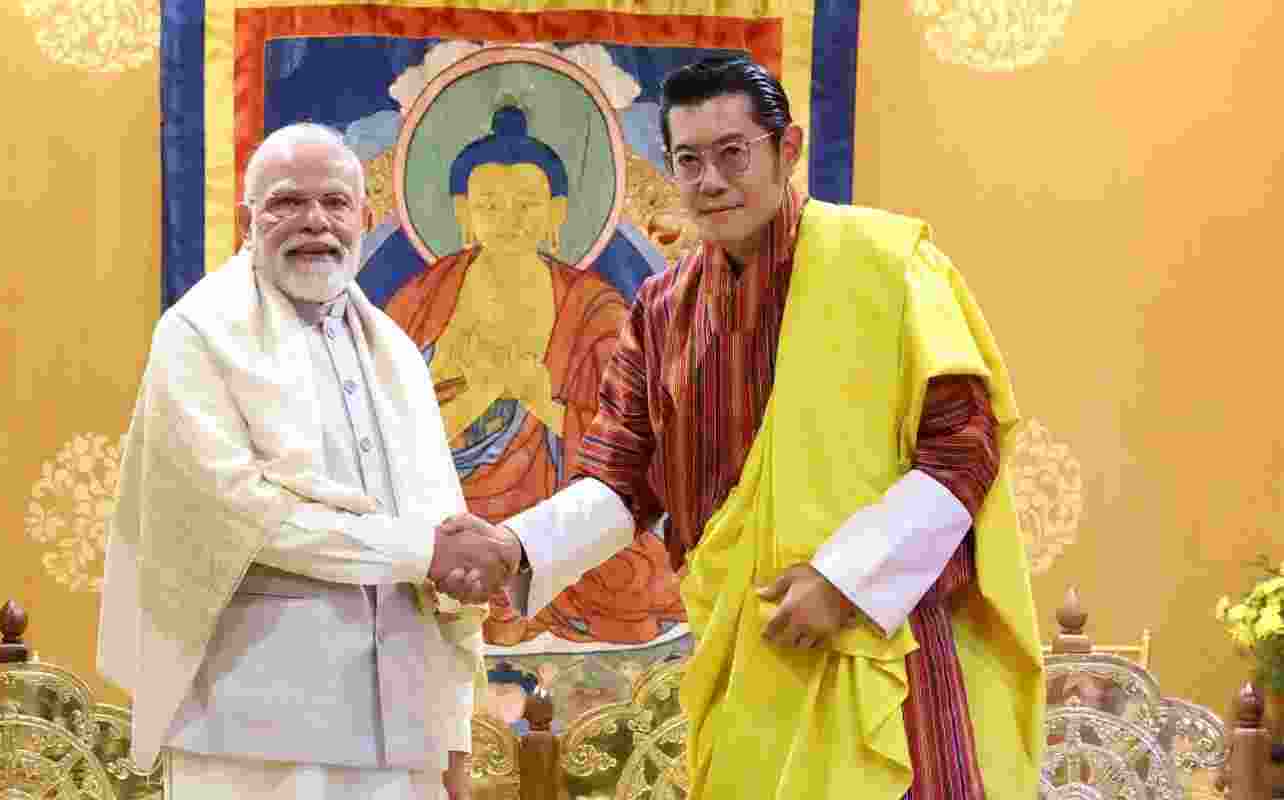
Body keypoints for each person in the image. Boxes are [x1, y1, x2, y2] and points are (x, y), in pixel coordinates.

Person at [437, 56, 1045, 799]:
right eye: (688, 160)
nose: (711, 181)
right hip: (749, 645)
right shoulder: (663, 311)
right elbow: (622, 478)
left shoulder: (885, 266)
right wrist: (513, 545)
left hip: (884, 648)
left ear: (786, 151)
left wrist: (844, 582)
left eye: (733, 153)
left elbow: (963, 448)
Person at [97, 122, 520, 800]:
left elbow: (442, 525)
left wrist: (454, 740)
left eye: (335, 203)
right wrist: (424, 551)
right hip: (255, 735)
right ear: (250, 219)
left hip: (405, 734)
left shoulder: (397, 354)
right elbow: (246, 515)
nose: (314, 222)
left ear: (365, 217)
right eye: (287, 203)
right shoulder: (198, 337)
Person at [385, 105, 684, 646]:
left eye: (527, 204)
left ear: (558, 212)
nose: (509, 218)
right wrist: (477, 397)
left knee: (639, 577)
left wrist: (540, 401)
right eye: (490, 205)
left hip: (557, 502)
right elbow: (383, 426)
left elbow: (629, 445)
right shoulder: (422, 299)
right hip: (445, 499)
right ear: (462, 211)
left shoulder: (595, 306)